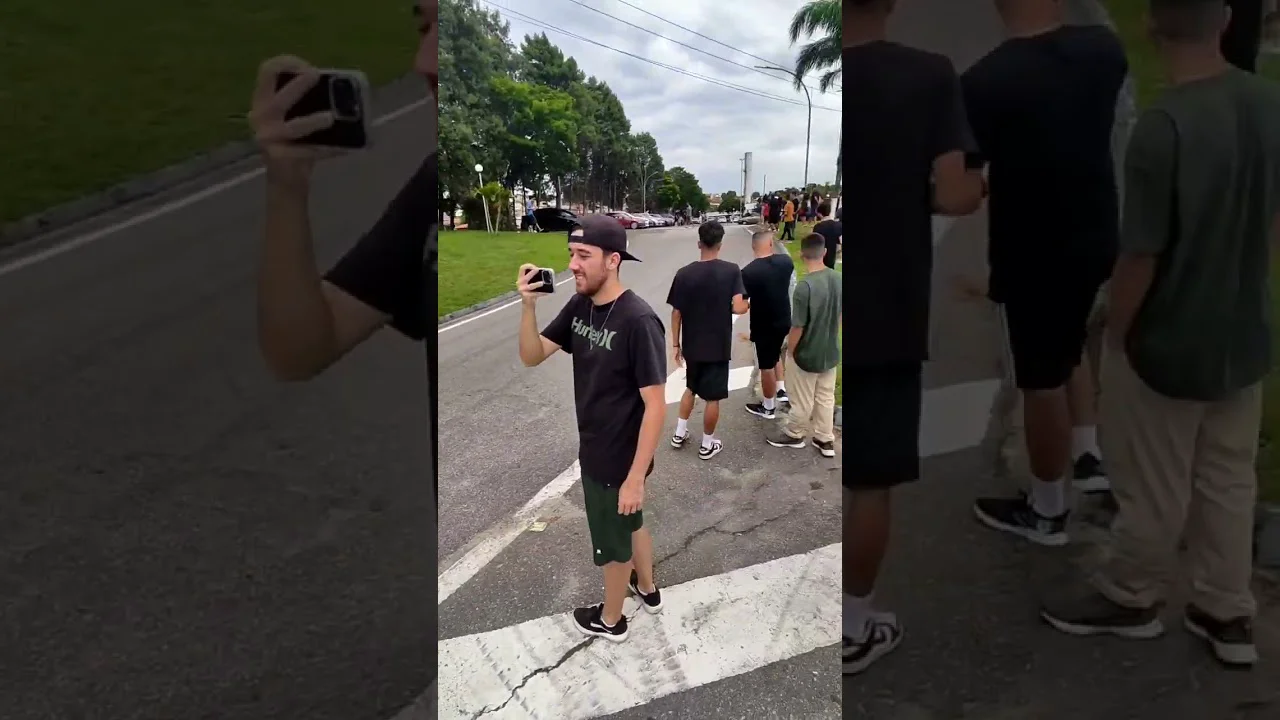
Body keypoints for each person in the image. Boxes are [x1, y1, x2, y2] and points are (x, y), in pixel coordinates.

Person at [1041, 0, 1280, 668]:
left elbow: (1141, 255)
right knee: (1228, 476)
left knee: (1152, 485)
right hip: (1243, 331)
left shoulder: (1163, 125)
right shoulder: (1268, 104)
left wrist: (1118, 333)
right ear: (1225, 18)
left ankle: (1132, 594)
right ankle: (1226, 610)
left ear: (1151, 25)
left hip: (1168, 339)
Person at [841, 0, 986, 676]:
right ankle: (852, 623)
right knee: (872, 476)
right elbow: (957, 194)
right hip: (890, 302)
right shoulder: (928, 74)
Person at [252, 0, 437, 492]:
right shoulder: (431, 187)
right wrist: (287, 184)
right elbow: (298, 352)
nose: (424, 60)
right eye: (425, 27)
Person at [963, 0, 1127, 547]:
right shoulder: (1105, 50)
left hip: (1032, 252)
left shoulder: (984, 81)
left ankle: (1048, 510)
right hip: (1097, 233)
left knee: (1041, 381)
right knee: (1072, 343)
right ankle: (1087, 453)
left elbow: (962, 190)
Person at [516, 216, 667, 642]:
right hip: (597, 445)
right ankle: (648, 589)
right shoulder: (580, 305)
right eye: (571, 254)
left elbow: (656, 405)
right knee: (630, 524)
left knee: (612, 544)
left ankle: (612, 620)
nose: (573, 265)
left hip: (617, 457)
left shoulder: (638, 320)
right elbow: (532, 355)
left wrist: (634, 478)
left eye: (584, 255)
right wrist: (528, 305)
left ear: (613, 260)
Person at [667, 221, 749, 459]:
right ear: (720, 244)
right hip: (717, 346)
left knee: (690, 388)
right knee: (713, 397)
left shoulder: (684, 273)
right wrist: (742, 306)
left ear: (699, 244)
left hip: (692, 344)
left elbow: (676, 312)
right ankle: (707, 443)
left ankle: (679, 432)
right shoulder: (731, 271)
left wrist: (675, 344)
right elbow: (738, 307)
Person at [765, 232, 841, 458]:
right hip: (830, 350)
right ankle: (824, 438)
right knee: (825, 396)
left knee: (801, 398)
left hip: (807, 353)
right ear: (825, 252)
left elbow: (798, 326)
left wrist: (790, 351)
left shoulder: (804, 286)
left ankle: (795, 433)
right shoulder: (838, 279)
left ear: (801, 254)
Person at [741, 226, 795, 420]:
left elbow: (741, 305)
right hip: (784, 320)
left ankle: (768, 407)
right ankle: (780, 389)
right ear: (771, 244)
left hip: (763, 326)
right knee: (776, 354)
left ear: (753, 247)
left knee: (766, 366)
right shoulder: (786, 262)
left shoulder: (748, 272)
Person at [813, 201, 841, 270]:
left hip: (820, 256)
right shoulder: (837, 225)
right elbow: (839, 242)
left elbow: (815, 243)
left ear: (819, 213)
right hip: (833, 255)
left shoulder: (818, 227)